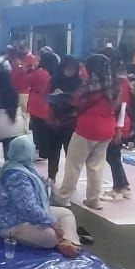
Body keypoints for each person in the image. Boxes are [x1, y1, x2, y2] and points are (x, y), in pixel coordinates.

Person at [0, 136, 82, 257]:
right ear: (26, 151)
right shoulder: (16, 176)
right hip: (11, 224)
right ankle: (62, 243)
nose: (35, 149)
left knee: (66, 214)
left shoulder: (21, 165)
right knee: (50, 236)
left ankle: (67, 242)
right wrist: (52, 223)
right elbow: (28, 209)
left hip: (23, 216)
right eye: (32, 147)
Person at [54, 54, 118, 211]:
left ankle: (64, 197)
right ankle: (93, 200)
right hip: (107, 128)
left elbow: (76, 103)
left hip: (87, 128)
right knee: (96, 166)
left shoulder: (88, 88)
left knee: (74, 164)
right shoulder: (114, 87)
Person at [47, 55, 82, 185]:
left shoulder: (80, 82)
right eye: (67, 69)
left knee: (71, 154)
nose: (69, 71)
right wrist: (53, 95)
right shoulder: (54, 80)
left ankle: (70, 181)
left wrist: (70, 98)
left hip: (71, 123)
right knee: (53, 152)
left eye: (72, 69)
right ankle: (51, 176)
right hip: (54, 121)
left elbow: (83, 101)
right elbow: (44, 96)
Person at [103, 55, 133, 200]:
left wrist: (119, 130)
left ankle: (119, 188)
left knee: (112, 156)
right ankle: (123, 186)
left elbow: (122, 107)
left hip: (117, 126)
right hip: (118, 124)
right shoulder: (120, 82)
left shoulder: (120, 83)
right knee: (114, 157)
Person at [27, 52, 57, 162]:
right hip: (47, 103)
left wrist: (31, 69)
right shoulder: (53, 73)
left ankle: (42, 151)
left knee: (38, 129)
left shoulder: (39, 72)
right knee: (44, 129)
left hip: (37, 102)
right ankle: (45, 150)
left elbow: (28, 80)